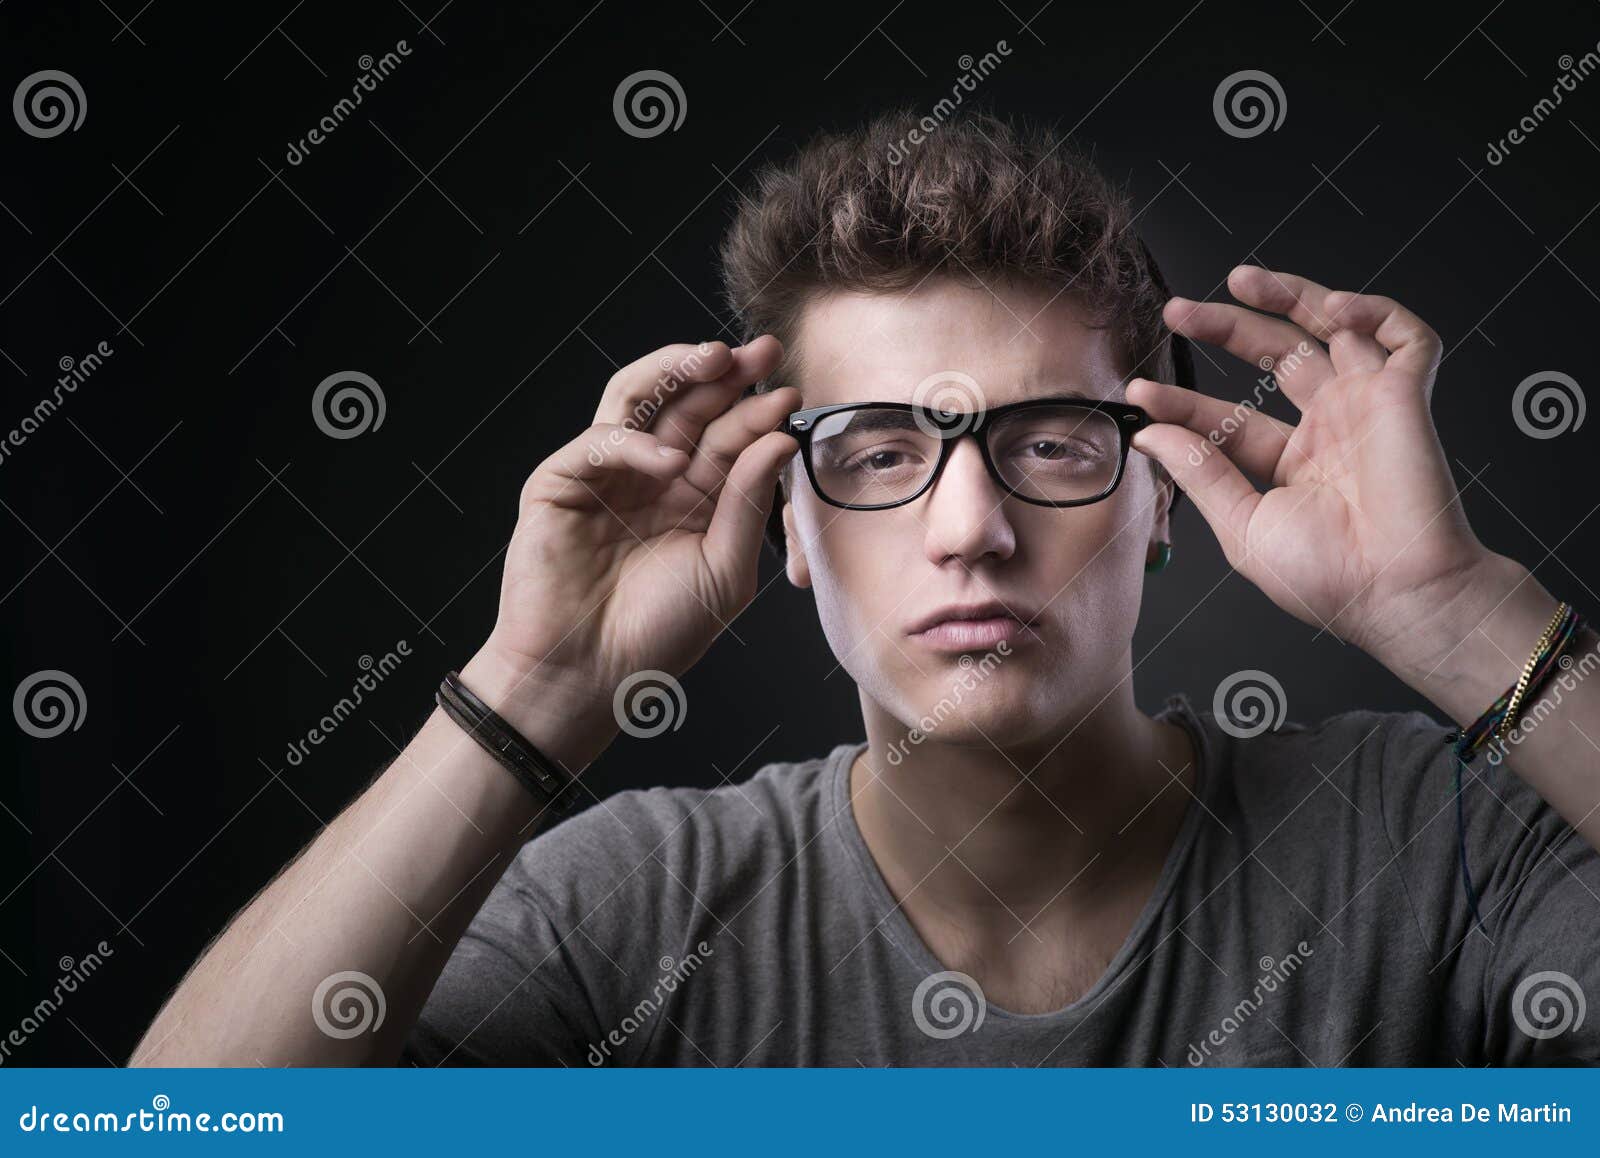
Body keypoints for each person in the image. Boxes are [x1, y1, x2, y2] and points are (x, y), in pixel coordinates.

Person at [130, 108, 1600, 1067]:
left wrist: (1458, 614)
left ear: (1162, 497)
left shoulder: (1428, 836)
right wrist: (533, 693)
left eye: (1051, 441)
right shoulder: (638, 906)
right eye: (881, 450)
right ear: (785, 523)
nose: (970, 526)